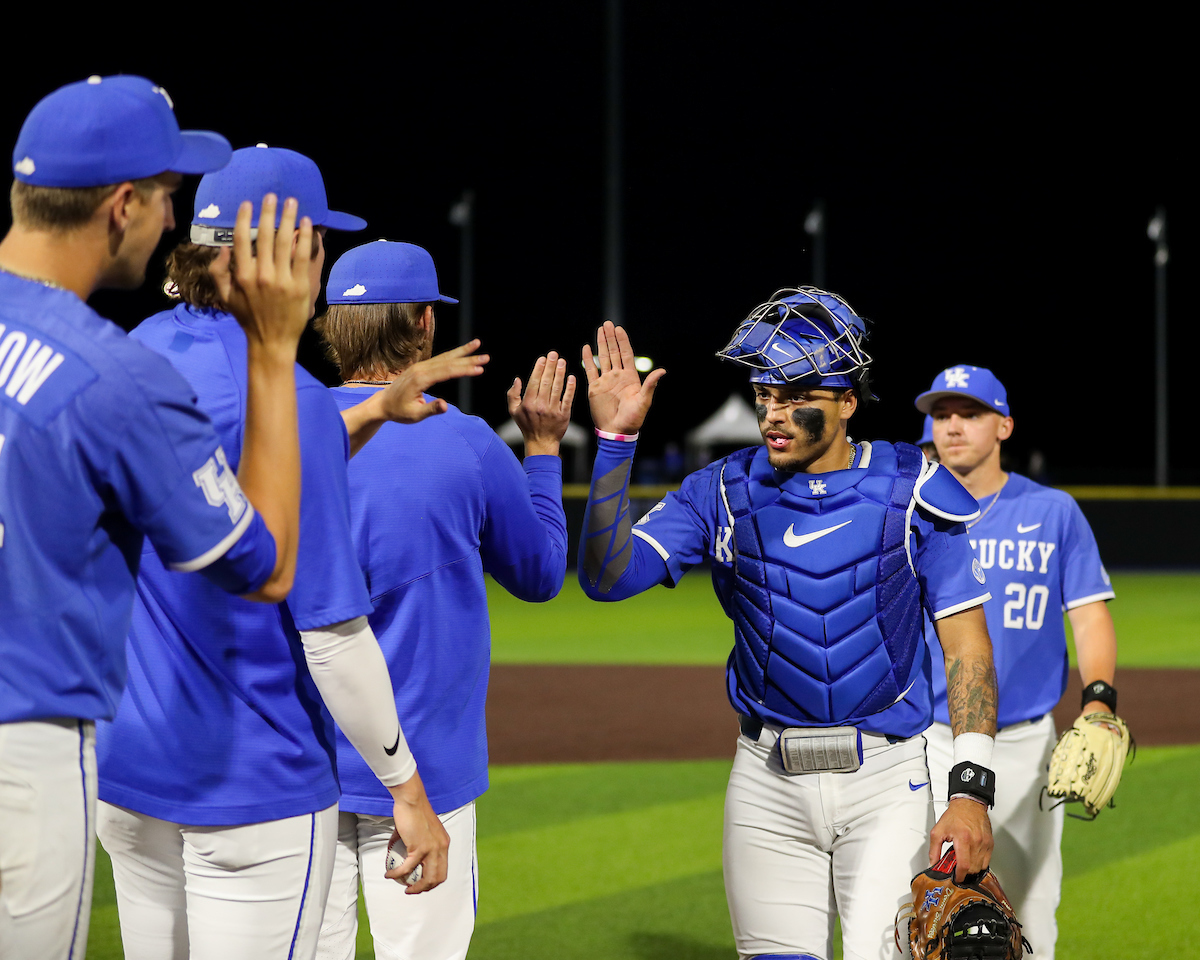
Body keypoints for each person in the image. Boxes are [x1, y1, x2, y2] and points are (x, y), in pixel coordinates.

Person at [93, 149, 484, 960]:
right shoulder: (290, 397)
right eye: (313, 242)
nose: (320, 263)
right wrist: (406, 790)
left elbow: (218, 482)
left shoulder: (131, 356)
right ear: (270, 253)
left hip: (129, 775)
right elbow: (333, 637)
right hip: (251, 784)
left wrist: (370, 408)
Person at [577, 288, 1002, 960]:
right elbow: (605, 579)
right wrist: (615, 443)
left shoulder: (914, 488)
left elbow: (967, 648)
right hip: (765, 782)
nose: (772, 413)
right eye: (764, 394)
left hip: (888, 781)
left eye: (794, 394)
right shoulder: (719, 491)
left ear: (847, 402)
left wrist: (972, 789)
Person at [0, 76, 311, 960]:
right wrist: (275, 351)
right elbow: (268, 562)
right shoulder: (114, 376)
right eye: (169, 196)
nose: (174, 222)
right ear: (122, 206)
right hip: (26, 754)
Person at [311, 240, 572, 960]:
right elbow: (542, 573)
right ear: (426, 326)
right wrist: (543, 450)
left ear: (332, 325)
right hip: (426, 773)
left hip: (298, 771)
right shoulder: (465, 442)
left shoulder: (284, 432)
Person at [915, 365, 1118, 960]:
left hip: (1027, 744)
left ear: (1003, 425)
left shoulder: (1053, 511)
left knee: (1030, 907)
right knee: (931, 906)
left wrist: (1100, 699)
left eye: (969, 413)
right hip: (928, 737)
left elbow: (1088, 613)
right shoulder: (913, 510)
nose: (952, 426)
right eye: (941, 414)